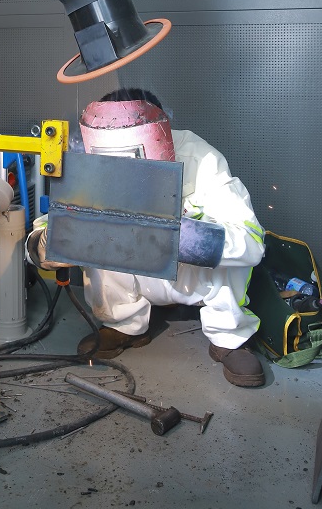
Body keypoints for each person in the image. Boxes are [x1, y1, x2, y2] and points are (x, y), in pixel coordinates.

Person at [26, 87, 266, 388]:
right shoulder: (91, 157)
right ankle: (123, 324)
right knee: (92, 227)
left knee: (220, 245)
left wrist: (180, 238)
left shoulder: (201, 158)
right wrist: (45, 245)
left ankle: (229, 338)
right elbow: (48, 230)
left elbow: (251, 242)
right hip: (132, 273)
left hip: (189, 277)